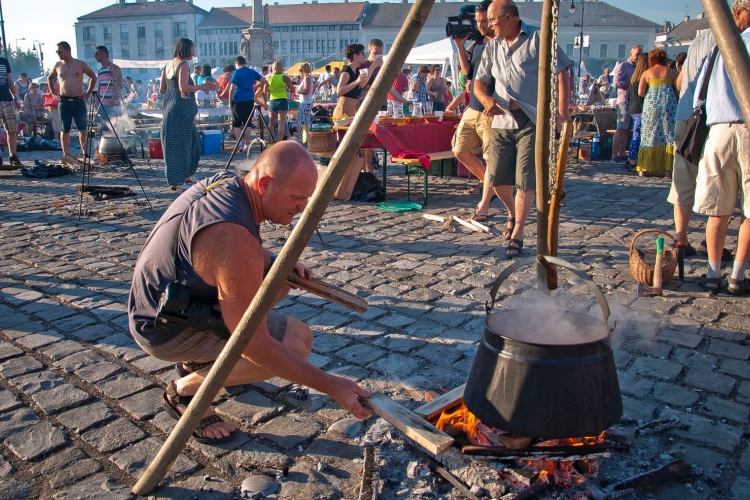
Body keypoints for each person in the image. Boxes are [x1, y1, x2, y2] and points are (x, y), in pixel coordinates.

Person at [127, 142, 372, 443]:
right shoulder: (233, 239)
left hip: (167, 301)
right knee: (296, 342)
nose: (302, 207)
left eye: (307, 198)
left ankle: (201, 360)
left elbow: (228, 247)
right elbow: (252, 344)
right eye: (297, 198)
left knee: (278, 278)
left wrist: (273, 260)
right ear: (265, 184)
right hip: (165, 327)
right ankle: (185, 391)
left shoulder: (228, 183)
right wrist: (331, 385)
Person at [474, 0, 571, 258]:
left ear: (508, 18)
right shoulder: (492, 46)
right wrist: (485, 100)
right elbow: (478, 84)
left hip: (532, 118)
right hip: (501, 119)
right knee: (496, 180)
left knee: (525, 179)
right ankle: (512, 212)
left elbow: (563, 72)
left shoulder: (538, 37)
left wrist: (562, 113)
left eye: (493, 21)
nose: (489, 26)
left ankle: (517, 232)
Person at [693, 0, 750, 295]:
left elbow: (698, 95)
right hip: (747, 129)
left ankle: (713, 274)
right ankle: (737, 277)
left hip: (718, 131)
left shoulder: (717, 47)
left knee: (718, 209)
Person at [668, 28, 722, 258]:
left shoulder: (698, 39)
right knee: (719, 180)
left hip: (684, 114)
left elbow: (680, 81)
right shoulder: (730, 37)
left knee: (683, 178)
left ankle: (681, 238)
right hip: (711, 117)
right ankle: (712, 244)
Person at [451, 0, 502, 223]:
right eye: (478, 21)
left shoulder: (502, 43)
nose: (480, 25)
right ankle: (489, 187)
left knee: (491, 159)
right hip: (473, 108)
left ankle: (484, 203)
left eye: (484, 21)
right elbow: (468, 72)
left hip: (491, 108)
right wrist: (460, 47)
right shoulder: (478, 43)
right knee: (460, 149)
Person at [159, 38, 212, 190]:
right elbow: (184, 88)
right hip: (180, 108)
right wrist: (202, 86)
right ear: (186, 49)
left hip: (170, 106)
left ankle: (187, 175)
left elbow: (162, 90)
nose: (193, 51)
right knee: (182, 145)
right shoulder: (183, 65)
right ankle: (178, 179)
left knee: (187, 141)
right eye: (192, 49)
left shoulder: (168, 65)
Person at [48, 41, 97, 158]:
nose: (58, 54)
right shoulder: (58, 65)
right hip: (64, 101)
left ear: (67, 50)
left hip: (78, 100)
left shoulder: (80, 64)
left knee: (82, 128)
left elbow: (93, 76)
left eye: (59, 51)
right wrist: (53, 93)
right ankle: (65, 154)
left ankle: (85, 153)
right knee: (65, 129)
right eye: (57, 51)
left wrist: (88, 93)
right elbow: (50, 78)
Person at [636, 48, 678, 178]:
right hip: (668, 105)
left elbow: (641, 92)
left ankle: (644, 168)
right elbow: (677, 90)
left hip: (651, 106)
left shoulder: (647, 73)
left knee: (649, 134)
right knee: (668, 135)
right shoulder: (671, 72)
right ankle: (667, 170)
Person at [611, 45, 643, 162]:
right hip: (624, 101)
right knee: (620, 128)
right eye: (637, 54)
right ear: (631, 54)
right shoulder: (623, 66)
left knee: (627, 129)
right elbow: (616, 83)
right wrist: (631, 83)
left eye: (640, 55)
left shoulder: (638, 67)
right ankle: (614, 154)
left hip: (633, 101)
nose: (638, 57)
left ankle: (621, 153)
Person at [228, 56, 265, 152]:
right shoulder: (251, 71)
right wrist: (254, 86)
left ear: (237, 63)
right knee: (247, 123)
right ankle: (247, 144)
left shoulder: (237, 72)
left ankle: (239, 144)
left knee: (237, 123)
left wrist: (229, 101)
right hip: (249, 99)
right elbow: (264, 80)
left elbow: (232, 88)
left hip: (238, 99)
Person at [0, 36, 23, 167]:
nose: (0, 47)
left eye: (0, 45)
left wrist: (15, 97)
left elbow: (9, 80)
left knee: (11, 129)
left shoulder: (4, 61)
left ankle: (13, 155)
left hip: (6, 99)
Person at [333, 43, 369, 120]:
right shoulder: (347, 70)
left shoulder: (356, 70)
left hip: (352, 107)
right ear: (355, 55)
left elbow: (362, 85)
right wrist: (356, 81)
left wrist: (374, 66)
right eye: (362, 53)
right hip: (345, 107)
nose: (364, 56)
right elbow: (339, 91)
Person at [626, 53, 649, 172]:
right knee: (638, 135)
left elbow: (629, 95)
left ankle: (632, 158)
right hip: (640, 108)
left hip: (634, 108)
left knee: (636, 134)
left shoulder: (634, 77)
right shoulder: (642, 77)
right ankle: (633, 160)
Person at [267, 61, 295, 143]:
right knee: (281, 123)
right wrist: (286, 89)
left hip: (272, 100)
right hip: (282, 99)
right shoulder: (285, 78)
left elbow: (265, 89)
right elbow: (293, 90)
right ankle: (279, 142)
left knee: (271, 124)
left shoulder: (269, 77)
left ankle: (270, 142)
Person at [94, 45, 123, 121]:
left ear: (103, 54)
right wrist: (97, 102)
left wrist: (113, 99)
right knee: (105, 129)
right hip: (102, 105)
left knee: (114, 127)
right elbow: (99, 88)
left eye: (97, 54)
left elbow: (119, 85)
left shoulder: (114, 68)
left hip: (112, 105)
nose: (95, 56)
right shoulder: (100, 71)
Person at [295, 62, 314, 145]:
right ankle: (308, 139)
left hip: (305, 102)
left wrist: (299, 91)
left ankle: (300, 139)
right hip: (308, 101)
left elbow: (306, 90)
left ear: (302, 70)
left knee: (299, 120)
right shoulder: (309, 78)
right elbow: (313, 89)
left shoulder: (306, 79)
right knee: (307, 120)